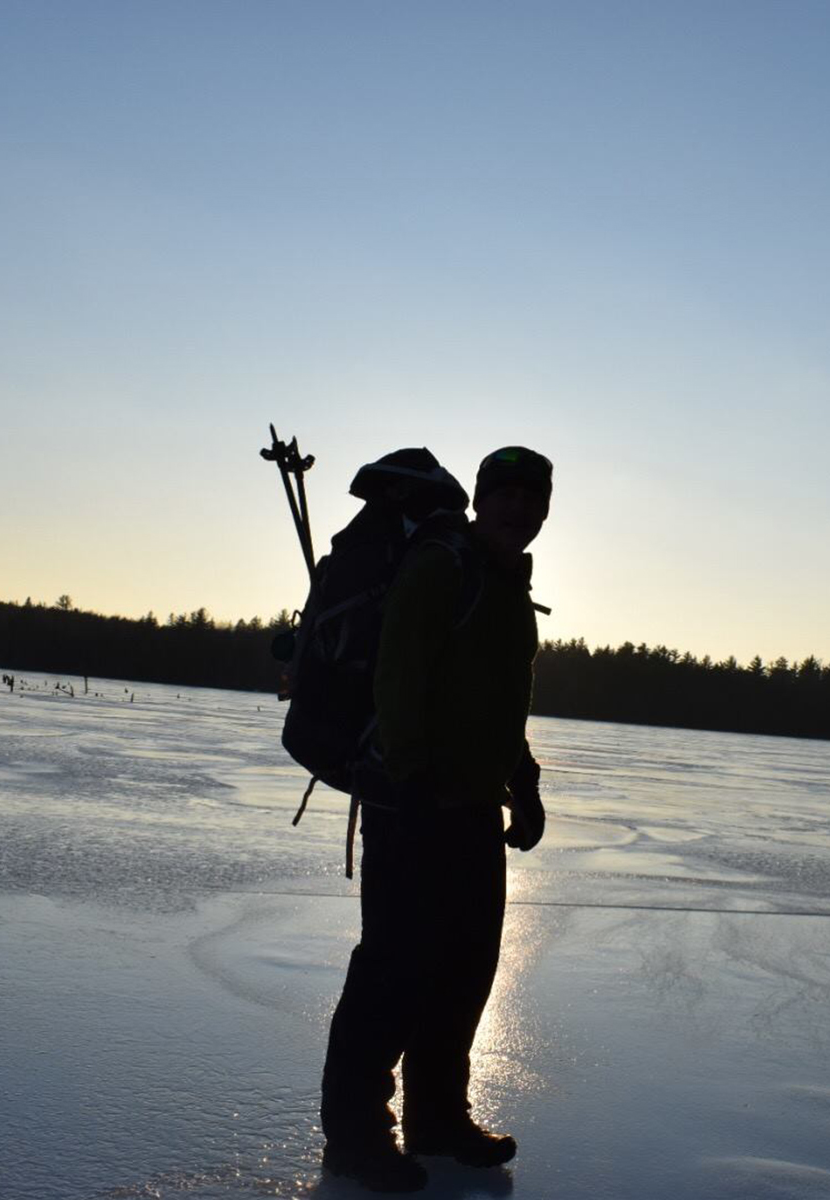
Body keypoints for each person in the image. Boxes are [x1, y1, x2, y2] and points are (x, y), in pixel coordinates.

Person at [320, 446, 553, 1193]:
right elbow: (400, 672)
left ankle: (438, 1121)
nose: (520, 508)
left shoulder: (504, 583)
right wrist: (414, 777)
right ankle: (355, 1136)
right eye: (506, 494)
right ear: (481, 500)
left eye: (533, 497)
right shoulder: (442, 565)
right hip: (412, 802)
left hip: (474, 809)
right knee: (393, 972)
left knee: (463, 974)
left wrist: (524, 780)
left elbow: (489, 700)